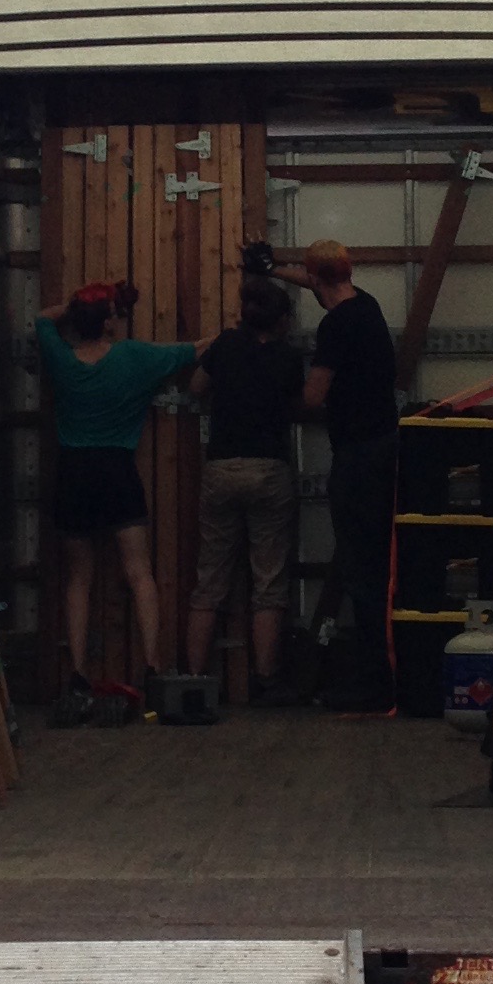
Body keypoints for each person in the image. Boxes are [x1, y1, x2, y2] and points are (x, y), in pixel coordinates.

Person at [35, 281, 195, 722]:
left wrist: (75, 305)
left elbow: (41, 319)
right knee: (139, 573)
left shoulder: (60, 358)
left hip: (72, 472)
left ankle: (80, 675)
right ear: (110, 322)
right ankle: (152, 667)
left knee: (78, 579)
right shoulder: (134, 357)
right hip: (116, 470)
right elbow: (192, 351)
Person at [183, 274, 306, 705]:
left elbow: (196, 389)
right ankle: (266, 679)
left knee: (209, 578)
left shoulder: (225, 345)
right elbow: (301, 403)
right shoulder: (291, 359)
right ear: (282, 320)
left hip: (221, 467)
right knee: (268, 580)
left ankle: (194, 679)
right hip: (269, 469)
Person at [296, 236, 400, 710]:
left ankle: (372, 683)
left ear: (318, 279)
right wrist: (276, 269)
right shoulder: (368, 304)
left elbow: (314, 396)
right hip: (384, 450)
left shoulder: (334, 325)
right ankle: (386, 673)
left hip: (357, 458)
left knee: (361, 569)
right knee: (378, 565)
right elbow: (321, 280)